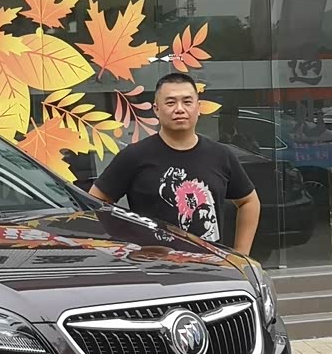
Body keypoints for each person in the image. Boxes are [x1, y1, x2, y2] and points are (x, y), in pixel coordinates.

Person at [89, 72, 260, 254]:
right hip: (154, 266)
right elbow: (94, 204)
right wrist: (123, 248)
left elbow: (249, 201)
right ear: (156, 109)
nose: (179, 109)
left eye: (187, 102)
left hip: (210, 266)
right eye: (170, 103)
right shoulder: (135, 156)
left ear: (198, 107)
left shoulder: (221, 155)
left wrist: (241, 254)